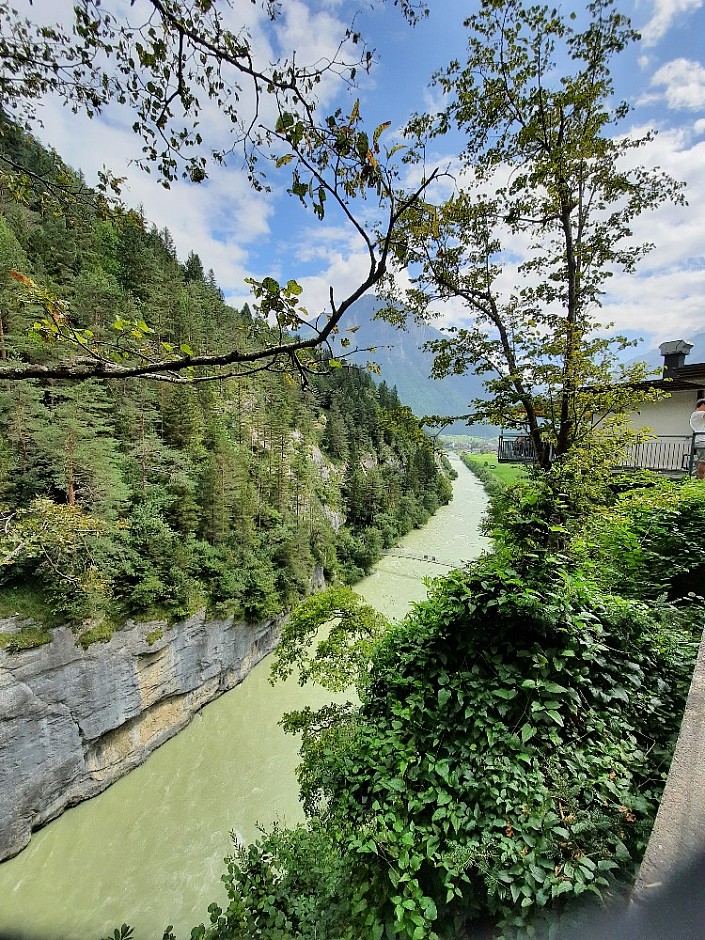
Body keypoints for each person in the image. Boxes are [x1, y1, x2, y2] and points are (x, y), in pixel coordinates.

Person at [689, 398, 705, 479]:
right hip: (702, 441)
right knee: (703, 461)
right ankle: (700, 479)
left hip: (702, 440)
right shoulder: (696, 414)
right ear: (702, 405)